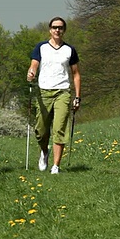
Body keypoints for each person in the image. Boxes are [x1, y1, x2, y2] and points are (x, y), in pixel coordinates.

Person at [27, 16, 81, 174]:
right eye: (54, 27)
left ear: (64, 31)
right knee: (41, 130)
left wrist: (77, 97)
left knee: (59, 129)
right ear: (50, 29)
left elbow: (76, 74)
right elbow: (34, 65)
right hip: (44, 92)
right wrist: (31, 73)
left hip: (63, 92)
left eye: (60, 27)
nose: (57, 30)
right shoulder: (41, 47)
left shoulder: (69, 50)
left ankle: (56, 166)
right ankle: (44, 151)